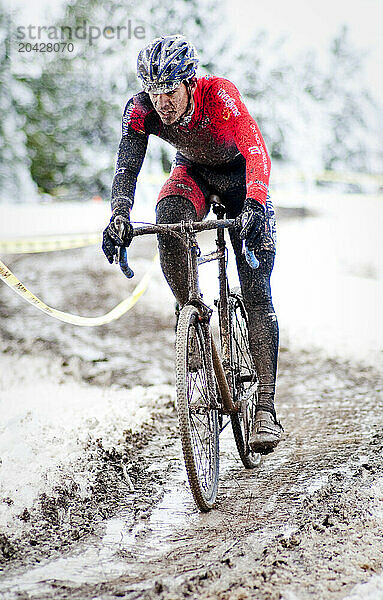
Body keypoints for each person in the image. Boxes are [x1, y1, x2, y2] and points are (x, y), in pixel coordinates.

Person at [102, 35, 283, 452]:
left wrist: (255, 203)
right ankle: (193, 317)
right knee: (168, 217)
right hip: (194, 174)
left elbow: (257, 152)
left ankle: (266, 410)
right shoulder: (142, 109)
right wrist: (119, 215)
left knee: (257, 290)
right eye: (154, 90)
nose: (161, 101)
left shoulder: (219, 95)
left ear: (188, 82)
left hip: (241, 181)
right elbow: (127, 166)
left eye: (169, 90)